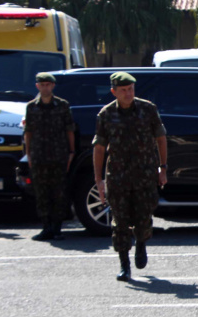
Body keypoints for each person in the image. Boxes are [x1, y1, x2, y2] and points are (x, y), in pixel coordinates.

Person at [92, 72, 168, 282]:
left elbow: (161, 138)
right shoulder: (106, 114)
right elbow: (99, 148)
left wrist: (163, 168)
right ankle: (124, 264)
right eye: (123, 90)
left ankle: (141, 243)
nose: (128, 93)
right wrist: (98, 180)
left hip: (144, 175)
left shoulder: (148, 109)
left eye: (131, 89)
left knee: (144, 218)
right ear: (114, 91)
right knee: (120, 222)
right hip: (118, 177)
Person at [24, 72, 76, 241]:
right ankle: (46, 227)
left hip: (59, 155)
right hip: (39, 155)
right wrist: (28, 153)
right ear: (37, 86)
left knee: (59, 193)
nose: (45, 88)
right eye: (42, 85)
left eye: (48, 85)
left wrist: (71, 152)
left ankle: (57, 228)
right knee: (42, 193)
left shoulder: (62, 105)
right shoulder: (31, 107)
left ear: (53, 86)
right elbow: (28, 131)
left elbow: (69, 129)